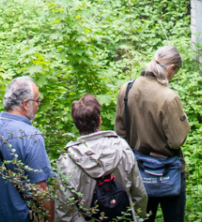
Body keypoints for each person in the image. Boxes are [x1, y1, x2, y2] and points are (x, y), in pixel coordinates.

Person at [115, 46, 189, 222]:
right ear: (171, 69)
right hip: (167, 170)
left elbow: (120, 132)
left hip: (138, 170)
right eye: (175, 72)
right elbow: (177, 141)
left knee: (142, 218)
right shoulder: (169, 97)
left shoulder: (127, 89)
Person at [0, 76, 55, 222]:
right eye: (36, 101)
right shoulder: (31, 135)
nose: (38, 104)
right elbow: (40, 189)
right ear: (25, 104)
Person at [55, 94, 147, 222]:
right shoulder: (121, 147)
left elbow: (64, 210)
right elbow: (139, 193)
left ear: (76, 125)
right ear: (100, 120)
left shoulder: (67, 161)